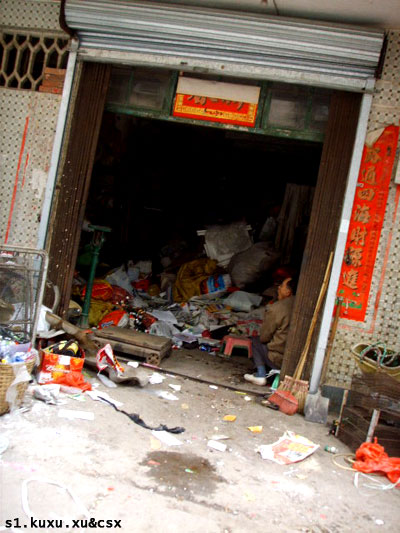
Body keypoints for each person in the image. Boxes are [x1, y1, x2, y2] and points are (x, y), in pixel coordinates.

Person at [244, 276, 296, 386]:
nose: (278, 288)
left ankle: (261, 374)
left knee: (255, 340)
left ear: (288, 292)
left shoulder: (277, 308)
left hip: (278, 359)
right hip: (295, 361)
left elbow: (264, 337)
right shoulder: (302, 306)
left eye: (281, 286)